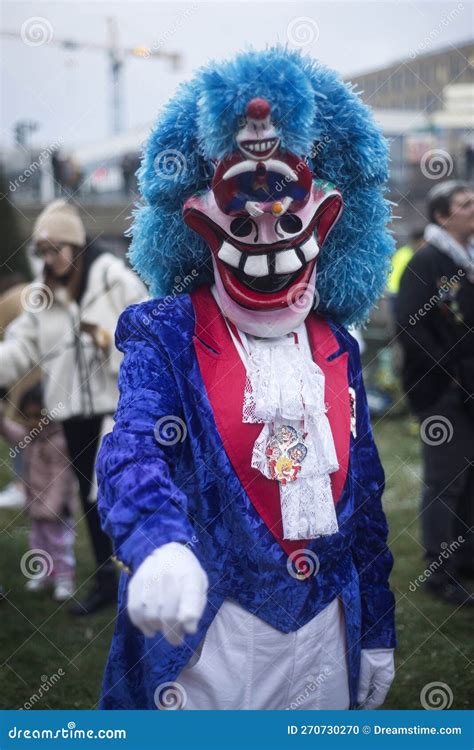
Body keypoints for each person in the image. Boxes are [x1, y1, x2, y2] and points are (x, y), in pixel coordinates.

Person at [97, 47, 396, 710]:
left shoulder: (337, 346)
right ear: (199, 223)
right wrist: (157, 543)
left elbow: (366, 509)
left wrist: (376, 623)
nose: (266, 234)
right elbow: (132, 447)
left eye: (287, 217)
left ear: (328, 219)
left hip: (324, 639)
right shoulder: (165, 332)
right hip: (211, 642)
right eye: (242, 218)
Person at [0, 199, 147, 615]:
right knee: (89, 500)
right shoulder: (43, 297)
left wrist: (106, 345)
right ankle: (105, 584)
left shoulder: (115, 281)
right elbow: (19, 348)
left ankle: (144, 581)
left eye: (55, 249)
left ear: (75, 245)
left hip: (118, 415)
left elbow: (146, 342)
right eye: (41, 251)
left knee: (126, 499)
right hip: (73, 418)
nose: (48, 258)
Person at [396, 181, 474, 606]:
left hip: (468, 390)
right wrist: (450, 375)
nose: (473, 209)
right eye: (465, 204)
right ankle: (439, 571)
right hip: (443, 392)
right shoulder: (427, 261)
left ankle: (464, 559)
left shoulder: (466, 261)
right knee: (444, 481)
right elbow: (410, 325)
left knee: (468, 481)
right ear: (443, 216)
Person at [0, 383, 77, 601]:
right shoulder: (31, 437)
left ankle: (64, 578)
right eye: (28, 416)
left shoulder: (58, 442)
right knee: (38, 541)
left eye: (39, 416)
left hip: (56, 509)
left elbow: (61, 479)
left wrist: (50, 509)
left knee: (59, 543)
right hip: (36, 505)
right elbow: (7, 429)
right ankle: (45, 573)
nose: (34, 422)